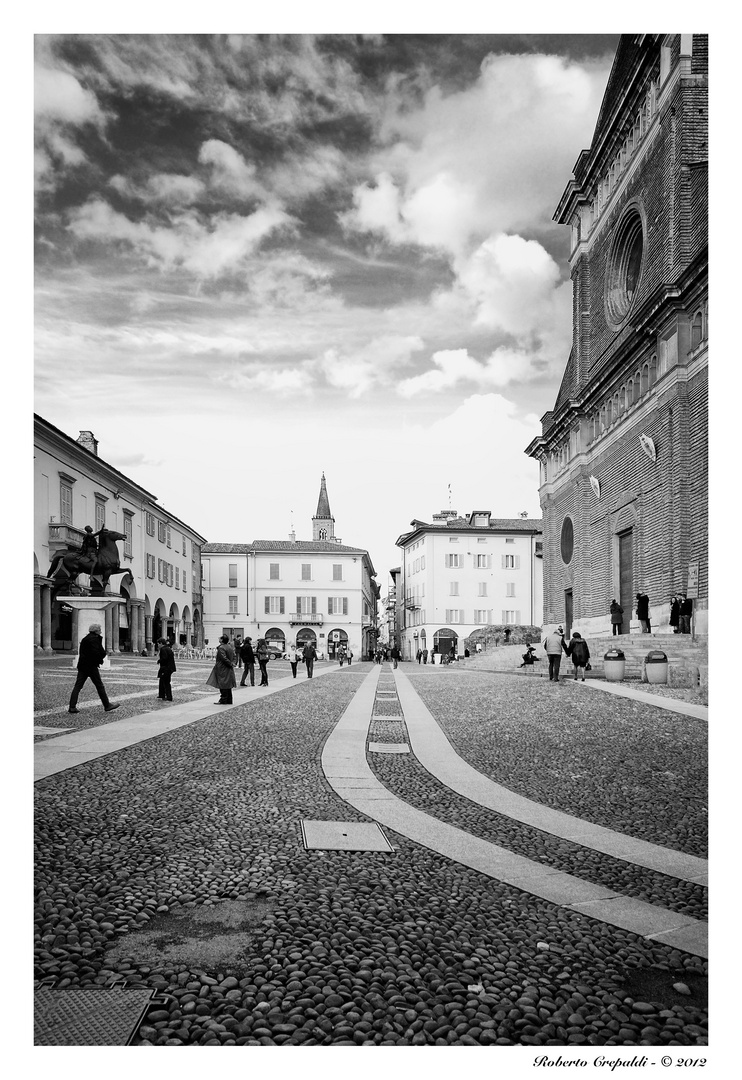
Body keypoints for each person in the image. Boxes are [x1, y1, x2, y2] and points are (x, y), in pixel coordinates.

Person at [68, 623, 121, 714]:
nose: (101, 631)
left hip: (83, 665)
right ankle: (107, 705)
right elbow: (96, 652)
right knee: (99, 685)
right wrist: (100, 659)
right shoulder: (94, 639)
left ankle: (72, 706)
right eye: (100, 629)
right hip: (91, 666)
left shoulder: (86, 639)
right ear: (96, 631)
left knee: (78, 686)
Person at [207, 635, 237, 703]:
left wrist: (230, 663)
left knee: (223, 683)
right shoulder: (229, 647)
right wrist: (233, 663)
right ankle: (229, 699)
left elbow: (223, 658)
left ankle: (223, 699)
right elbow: (234, 656)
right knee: (228, 684)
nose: (219, 639)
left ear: (222, 640)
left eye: (220, 638)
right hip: (228, 668)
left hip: (222, 668)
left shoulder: (221, 648)